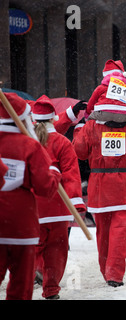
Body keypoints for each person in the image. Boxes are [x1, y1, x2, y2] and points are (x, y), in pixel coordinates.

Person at [72, 69, 126, 287]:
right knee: (120, 230)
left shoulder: (92, 125)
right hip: (125, 183)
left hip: (99, 185)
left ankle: (106, 271)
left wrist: (80, 133)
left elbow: (80, 152)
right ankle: (115, 273)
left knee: (103, 231)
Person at [0, 92, 61, 300]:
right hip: (21, 224)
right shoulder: (29, 146)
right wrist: (54, 173)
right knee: (21, 284)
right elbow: (45, 187)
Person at [30, 95, 86, 300]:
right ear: (54, 118)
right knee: (56, 250)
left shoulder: (26, 142)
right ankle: (51, 288)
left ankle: (33, 272)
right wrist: (75, 201)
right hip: (57, 209)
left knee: (33, 247)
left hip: (32, 209)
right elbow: (72, 174)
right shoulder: (62, 142)